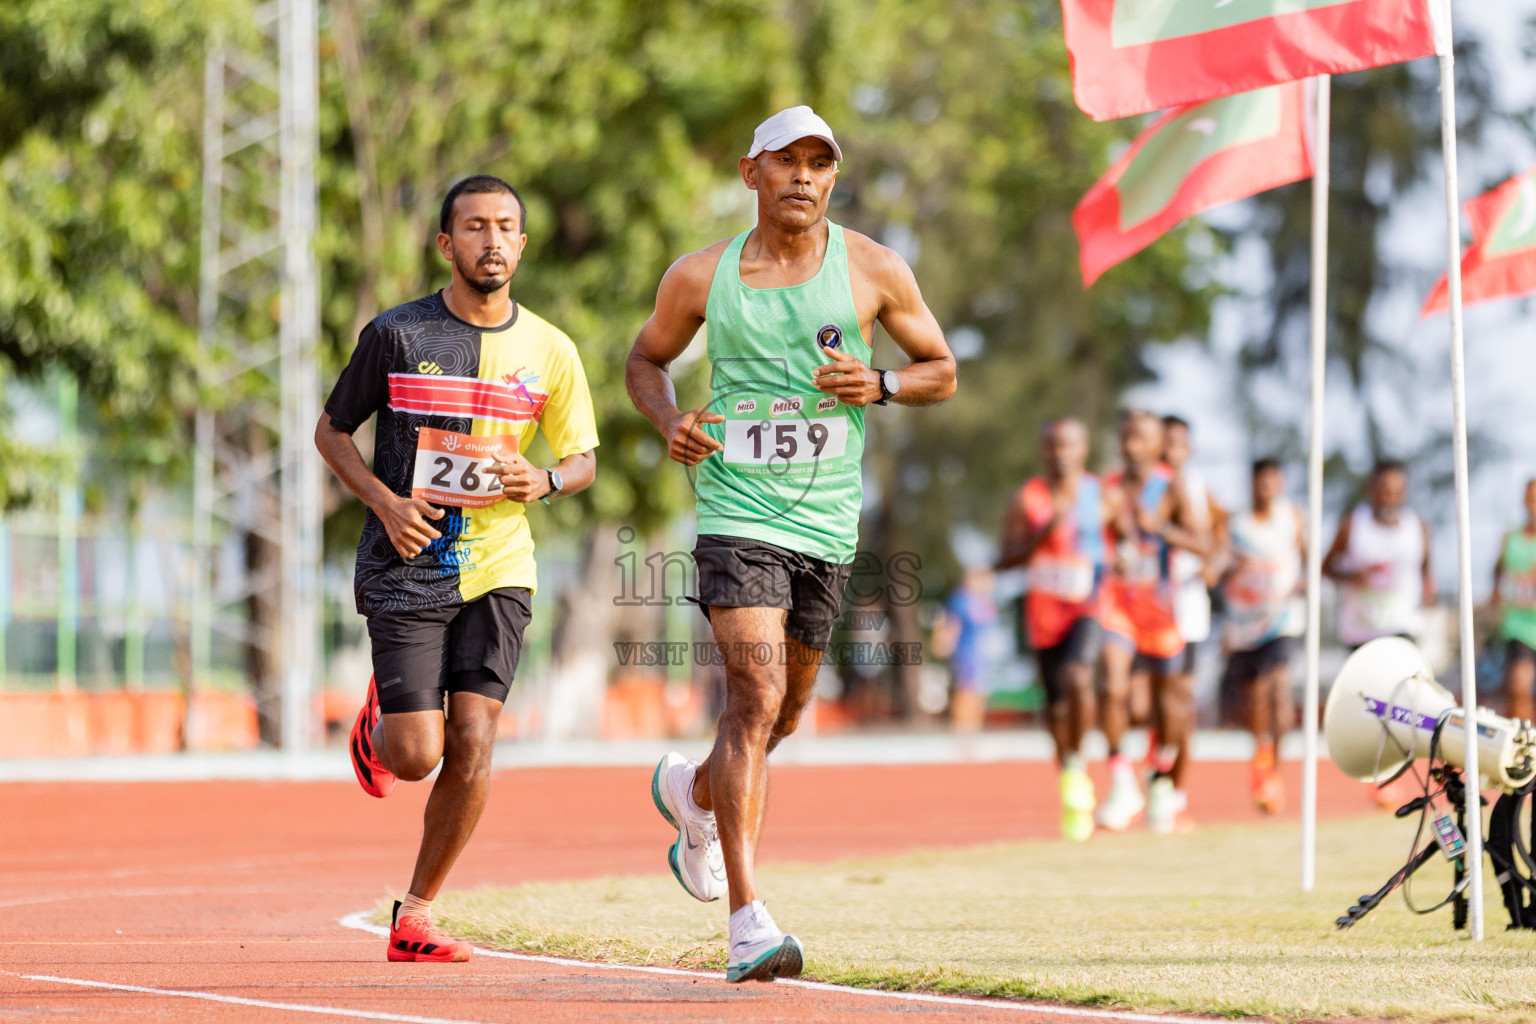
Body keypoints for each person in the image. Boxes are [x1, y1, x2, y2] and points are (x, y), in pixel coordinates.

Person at [626, 105, 956, 983]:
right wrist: (672, 419)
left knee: (786, 711)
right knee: (754, 691)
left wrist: (881, 383)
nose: (804, 177)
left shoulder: (872, 269)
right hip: (737, 510)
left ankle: (693, 795)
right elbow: (644, 361)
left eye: (820, 163)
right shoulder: (701, 278)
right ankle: (747, 920)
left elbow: (943, 369)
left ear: (833, 179)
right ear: (752, 174)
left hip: (826, 523)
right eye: (787, 162)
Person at [316, 175, 599, 963]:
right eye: (475, 227)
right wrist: (383, 502)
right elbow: (332, 432)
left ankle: (416, 913)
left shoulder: (551, 349)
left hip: (501, 566)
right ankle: (382, 725)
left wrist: (543, 480)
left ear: (524, 242)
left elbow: (582, 459)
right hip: (408, 560)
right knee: (418, 755)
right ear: (447, 244)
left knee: (474, 740)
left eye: (507, 226)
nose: (493, 241)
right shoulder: (397, 334)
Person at [997, 418, 1106, 841]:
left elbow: (1131, 537)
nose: (1060, 454)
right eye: (1052, 446)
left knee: (1079, 677)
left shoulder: (1102, 495)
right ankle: (1072, 773)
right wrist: (1042, 534)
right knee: (1056, 706)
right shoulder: (1028, 498)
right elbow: (1004, 558)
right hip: (1044, 614)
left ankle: (1080, 764)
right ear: (1043, 451)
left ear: (1084, 448)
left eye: (1068, 446)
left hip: (1089, 605)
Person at [1098, 411, 1207, 834]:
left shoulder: (1171, 485)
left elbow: (1202, 541)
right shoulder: (1107, 487)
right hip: (1118, 604)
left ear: (1157, 443)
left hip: (1162, 608)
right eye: (1126, 437)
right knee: (1113, 686)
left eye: (1140, 438)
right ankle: (1122, 780)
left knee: (1169, 704)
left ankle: (1160, 781)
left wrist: (1159, 528)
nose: (1131, 446)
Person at [1220, 458, 1305, 814]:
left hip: (1282, 618)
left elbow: (1310, 556)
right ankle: (1261, 757)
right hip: (1244, 623)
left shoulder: (1293, 518)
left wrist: (1304, 582)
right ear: (1251, 484)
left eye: (1273, 481)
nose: (1266, 487)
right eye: (1260, 482)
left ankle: (1276, 775)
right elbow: (1220, 565)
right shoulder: (1235, 525)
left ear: (1280, 484)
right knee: (1255, 697)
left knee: (1280, 691)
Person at [1322, 460, 1433, 650]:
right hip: (1361, 632)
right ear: (1371, 489)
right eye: (1384, 490)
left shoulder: (1418, 528)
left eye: (1397, 491)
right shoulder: (1352, 525)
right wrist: (1352, 576)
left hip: (1403, 626)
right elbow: (1325, 568)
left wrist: (1429, 594)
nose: (1389, 497)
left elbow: (1426, 571)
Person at [932, 568, 1007, 733]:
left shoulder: (984, 602)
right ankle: (962, 729)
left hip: (982, 656)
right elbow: (951, 625)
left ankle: (973, 729)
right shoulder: (960, 599)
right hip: (965, 653)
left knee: (978, 693)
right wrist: (943, 644)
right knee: (966, 692)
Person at [1490, 479, 1536, 722]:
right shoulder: (1511, 538)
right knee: (1518, 688)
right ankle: (1524, 750)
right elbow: (1498, 568)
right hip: (1520, 627)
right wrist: (1495, 590)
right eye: (1531, 498)